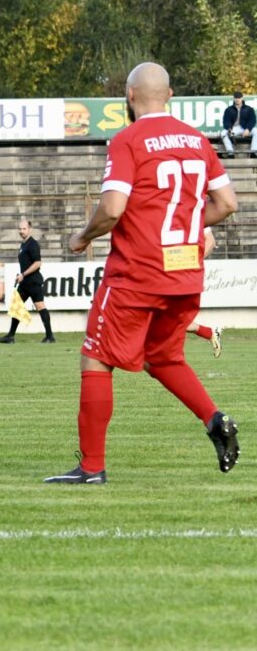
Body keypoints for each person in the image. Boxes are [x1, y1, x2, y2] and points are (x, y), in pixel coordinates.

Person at [45, 62, 239, 484]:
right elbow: (226, 203)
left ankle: (92, 468)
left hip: (137, 272)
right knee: (163, 356)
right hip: (185, 273)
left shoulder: (128, 140)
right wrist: (189, 230)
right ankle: (214, 418)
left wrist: (81, 237)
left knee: (96, 357)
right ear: (169, 95)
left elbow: (113, 208)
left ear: (129, 97)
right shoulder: (198, 141)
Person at [0, 219, 55, 344]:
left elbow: (38, 263)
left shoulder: (33, 244)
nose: (21, 231)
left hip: (33, 282)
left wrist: (23, 274)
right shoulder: (24, 244)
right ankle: (10, 336)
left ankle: (50, 336)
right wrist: (21, 275)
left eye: (24, 229)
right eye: (20, 229)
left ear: (30, 229)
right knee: (17, 306)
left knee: (40, 306)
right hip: (25, 283)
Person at [185, 227, 222, 357]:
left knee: (170, 321)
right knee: (169, 320)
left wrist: (192, 262)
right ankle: (210, 333)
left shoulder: (196, 210)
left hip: (182, 276)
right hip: (164, 275)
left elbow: (210, 241)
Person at [219, 91, 255, 158]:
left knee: (256, 131)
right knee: (223, 133)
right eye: (236, 98)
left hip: (245, 128)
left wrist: (248, 129)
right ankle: (230, 153)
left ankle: (253, 152)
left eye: (239, 97)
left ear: (242, 98)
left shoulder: (249, 109)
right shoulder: (229, 110)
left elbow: (252, 120)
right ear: (233, 98)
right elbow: (226, 121)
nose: (237, 99)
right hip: (234, 129)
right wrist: (229, 129)